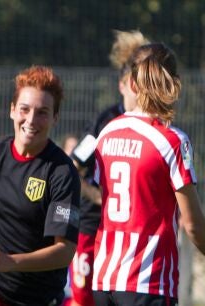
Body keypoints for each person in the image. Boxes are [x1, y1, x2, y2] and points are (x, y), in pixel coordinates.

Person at [92, 42, 205, 305]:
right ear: (174, 84)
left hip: (104, 280)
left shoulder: (107, 132)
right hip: (148, 282)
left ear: (131, 84)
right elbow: (192, 224)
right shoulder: (173, 141)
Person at [0, 66, 81, 305]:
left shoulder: (61, 173)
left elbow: (64, 251)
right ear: (12, 110)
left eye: (43, 112)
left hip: (36, 296)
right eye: (24, 109)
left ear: (55, 118)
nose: (31, 120)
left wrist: (11, 262)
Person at [67, 30, 149, 306]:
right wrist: (100, 198)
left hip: (131, 234)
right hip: (92, 227)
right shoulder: (106, 123)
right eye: (135, 83)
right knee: (83, 299)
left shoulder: (154, 127)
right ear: (123, 85)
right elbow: (73, 168)